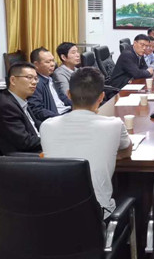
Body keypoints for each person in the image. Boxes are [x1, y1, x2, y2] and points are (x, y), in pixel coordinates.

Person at [40, 67, 132, 219]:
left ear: (68, 94)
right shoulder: (114, 124)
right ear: (102, 97)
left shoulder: (47, 126)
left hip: (54, 212)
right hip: (97, 215)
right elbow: (127, 151)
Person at [0, 62, 42, 154]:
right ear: (13, 80)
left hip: (38, 147)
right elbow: (25, 142)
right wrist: (51, 139)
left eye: (36, 78)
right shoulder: (6, 107)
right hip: (29, 157)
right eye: (29, 77)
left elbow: (35, 125)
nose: (34, 82)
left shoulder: (21, 99)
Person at [28, 47, 72, 122]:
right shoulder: (35, 83)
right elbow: (37, 110)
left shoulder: (51, 78)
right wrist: (59, 118)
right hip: (56, 118)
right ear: (36, 65)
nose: (52, 64)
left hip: (67, 113)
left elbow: (63, 97)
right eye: (48, 62)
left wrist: (78, 107)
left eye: (53, 60)